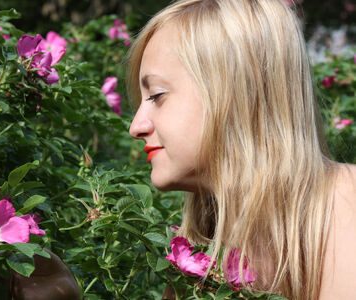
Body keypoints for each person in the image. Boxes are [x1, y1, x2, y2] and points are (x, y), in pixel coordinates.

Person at [127, 0, 356, 299]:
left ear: (235, 93)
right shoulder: (204, 247)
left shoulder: (348, 208)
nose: (135, 126)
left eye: (157, 95)